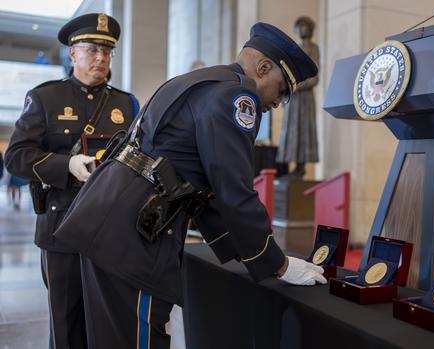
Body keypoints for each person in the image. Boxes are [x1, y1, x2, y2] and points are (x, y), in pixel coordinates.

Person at [54, 22, 327, 348]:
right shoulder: (238, 95)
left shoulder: (196, 81)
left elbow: (200, 187)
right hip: (135, 240)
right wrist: (277, 264)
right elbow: (233, 190)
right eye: (281, 90)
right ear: (264, 67)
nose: (278, 103)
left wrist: (249, 253)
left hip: (105, 223)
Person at [5, 13, 138, 349]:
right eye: (93, 49)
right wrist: (67, 165)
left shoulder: (126, 104)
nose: (101, 58)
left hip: (110, 230)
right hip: (60, 225)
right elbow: (17, 157)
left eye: (107, 52)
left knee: (109, 319)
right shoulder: (46, 98)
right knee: (65, 321)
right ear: (72, 53)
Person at [276, 16, 320, 178]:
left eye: (304, 26)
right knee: (291, 130)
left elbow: (314, 77)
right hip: (293, 98)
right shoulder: (296, 49)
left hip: (305, 98)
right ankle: (293, 166)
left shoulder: (313, 48)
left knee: (304, 130)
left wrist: (294, 86)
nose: (302, 29)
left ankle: (301, 167)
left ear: (310, 28)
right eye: (299, 26)